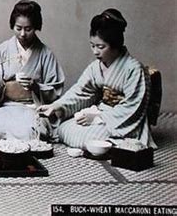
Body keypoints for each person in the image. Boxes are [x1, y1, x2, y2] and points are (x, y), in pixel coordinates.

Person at [37, 9, 156, 149]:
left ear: (115, 45)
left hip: (122, 120)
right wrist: (55, 106)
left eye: (100, 47)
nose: (95, 51)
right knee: (64, 128)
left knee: (90, 138)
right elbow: (80, 92)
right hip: (100, 112)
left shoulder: (134, 69)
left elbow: (132, 107)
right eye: (92, 46)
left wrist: (99, 118)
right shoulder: (96, 67)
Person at [0, 0, 65, 140]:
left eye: (28, 29)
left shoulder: (45, 54)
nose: (23, 34)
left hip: (32, 107)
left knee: (29, 132)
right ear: (13, 25)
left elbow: (55, 90)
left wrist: (36, 86)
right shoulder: (3, 50)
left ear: (36, 27)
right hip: (5, 106)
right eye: (18, 28)